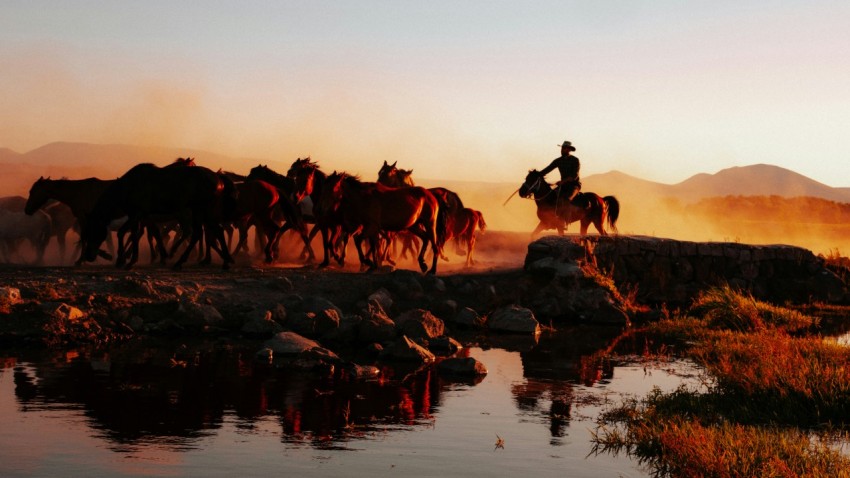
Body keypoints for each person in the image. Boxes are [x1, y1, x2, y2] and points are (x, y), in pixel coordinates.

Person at [540, 140, 582, 228]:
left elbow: (574, 176)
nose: (562, 150)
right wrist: (536, 174)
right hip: (563, 186)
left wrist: (562, 181)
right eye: (562, 148)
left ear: (569, 150)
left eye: (565, 148)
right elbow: (547, 169)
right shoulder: (558, 161)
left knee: (566, 199)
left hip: (574, 186)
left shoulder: (575, 160)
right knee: (551, 197)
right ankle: (550, 219)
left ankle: (564, 222)